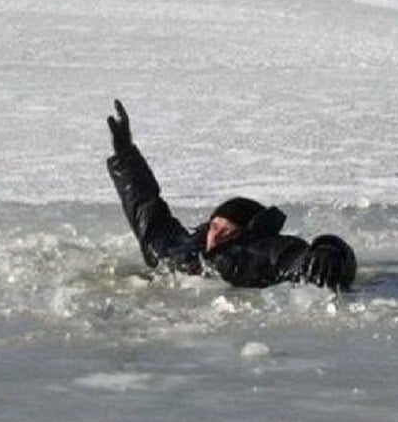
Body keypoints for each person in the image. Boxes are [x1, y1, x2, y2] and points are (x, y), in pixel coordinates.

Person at [106, 100, 357, 290]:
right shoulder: (180, 250)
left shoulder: (266, 251)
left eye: (228, 230)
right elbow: (146, 207)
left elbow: (305, 258)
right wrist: (126, 155)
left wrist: (330, 249)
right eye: (215, 226)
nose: (216, 235)